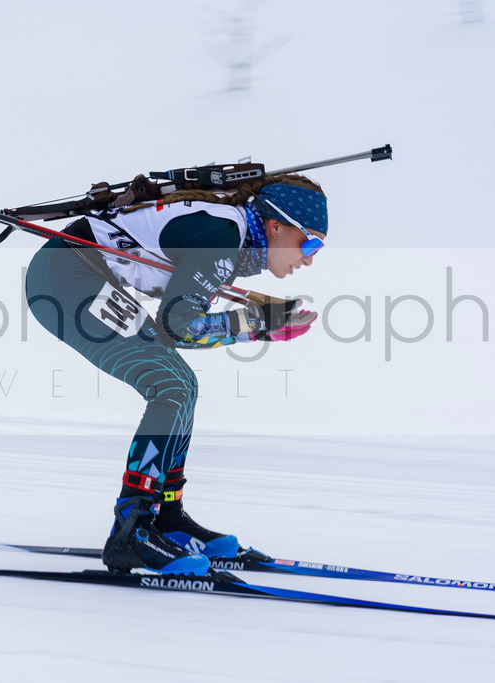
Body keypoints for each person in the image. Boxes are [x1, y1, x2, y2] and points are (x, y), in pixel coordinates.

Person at [25, 174, 326, 576]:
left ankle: (165, 518)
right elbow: (179, 325)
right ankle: (131, 531)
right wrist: (256, 324)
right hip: (67, 276)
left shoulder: (227, 232)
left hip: (76, 272)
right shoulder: (224, 238)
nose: (309, 258)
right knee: (170, 386)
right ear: (275, 226)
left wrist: (260, 320)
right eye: (310, 243)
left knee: (182, 385)